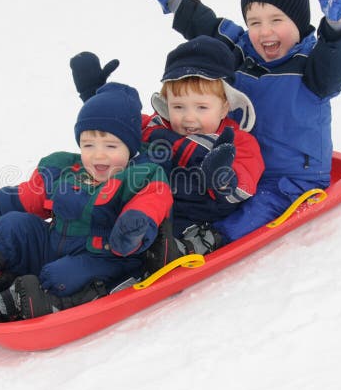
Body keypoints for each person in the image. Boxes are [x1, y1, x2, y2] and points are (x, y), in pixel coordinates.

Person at [138, 0, 341, 241]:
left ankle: (206, 241)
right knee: (195, 194)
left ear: (298, 23)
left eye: (276, 20)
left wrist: (336, 24)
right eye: (254, 22)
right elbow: (205, 26)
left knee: (248, 217)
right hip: (239, 167)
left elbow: (340, 61)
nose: (264, 31)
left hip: (290, 179)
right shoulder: (242, 51)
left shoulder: (314, 65)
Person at [0, 82, 173, 322]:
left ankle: (12, 304)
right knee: (14, 225)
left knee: (60, 275)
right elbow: (28, 198)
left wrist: (132, 228)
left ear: (130, 148)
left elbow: (151, 203)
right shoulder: (65, 169)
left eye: (111, 145)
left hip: (105, 257)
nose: (98, 154)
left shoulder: (141, 175)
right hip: (53, 245)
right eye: (88, 144)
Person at [70, 35, 264, 255]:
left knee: (151, 244)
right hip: (141, 204)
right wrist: (93, 94)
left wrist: (221, 176)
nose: (189, 118)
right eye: (179, 107)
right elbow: (120, 125)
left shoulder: (237, 140)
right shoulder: (157, 125)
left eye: (201, 107)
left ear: (224, 107)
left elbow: (246, 178)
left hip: (190, 216)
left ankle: (147, 257)